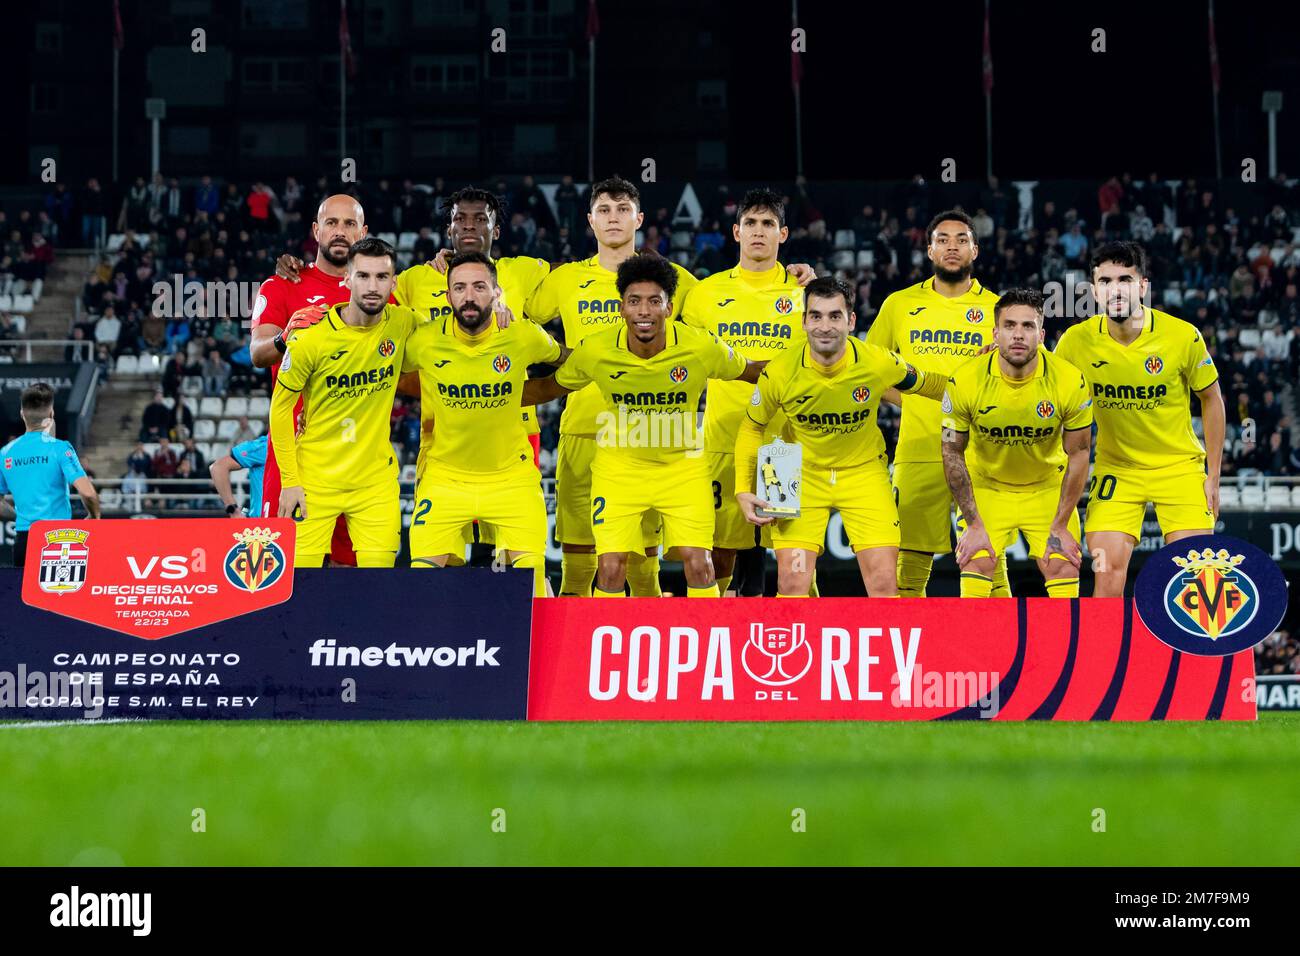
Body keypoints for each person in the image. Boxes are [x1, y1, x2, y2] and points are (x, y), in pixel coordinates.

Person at [524, 254, 764, 597]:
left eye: (655, 301)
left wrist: (813, 364)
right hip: (620, 470)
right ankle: (611, 649)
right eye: (634, 301)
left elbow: (753, 370)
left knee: (700, 563)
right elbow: (548, 387)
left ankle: (703, 645)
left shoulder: (699, 345)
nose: (644, 311)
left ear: (669, 307)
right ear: (621, 307)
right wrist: (491, 395)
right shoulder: (597, 350)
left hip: (682, 469)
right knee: (609, 569)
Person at [523, 176, 702, 597]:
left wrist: (789, 277)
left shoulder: (672, 278)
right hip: (584, 429)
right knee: (579, 562)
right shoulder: (565, 279)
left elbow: (723, 309)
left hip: (648, 437)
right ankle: (577, 659)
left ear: (639, 218)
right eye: (604, 210)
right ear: (590, 220)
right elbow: (517, 312)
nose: (614, 218)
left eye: (623, 209)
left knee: (643, 568)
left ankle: (647, 658)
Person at [736, 277, 948, 597]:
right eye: (816, 316)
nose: (825, 326)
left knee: (884, 585)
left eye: (835, 316)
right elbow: (752, 427)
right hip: (796, 472)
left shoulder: (877, 361)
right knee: (793, 583)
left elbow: (930, 384)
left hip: (862, 472)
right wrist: (742, 488)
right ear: (804, 321)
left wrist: (984, 384)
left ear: (850, 320)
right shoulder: (779, 372)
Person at [1053, 241, 1225, 596]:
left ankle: (1193, 653)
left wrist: (1213, 474)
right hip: (1118, 471)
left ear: (1142, 286)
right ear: (1094, 291)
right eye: (1106, 281)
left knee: (1195, 574)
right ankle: (1105, 652)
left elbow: (1212, 399)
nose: (1115, 289)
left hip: (1178, 468)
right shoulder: (1075, 342)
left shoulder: (1182, 335)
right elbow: (1048, 394)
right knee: (1107, 572)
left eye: (1125, 279)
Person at [402, 252, 568, 596]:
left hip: (512, 480)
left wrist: (609, 363)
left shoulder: (523, 335)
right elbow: (384, 372)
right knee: (422, 593)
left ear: (496, 292)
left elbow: (565, 360)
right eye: (459, 287)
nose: (469, 296)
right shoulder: (425, 341)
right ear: (448, 296)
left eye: (479, 286)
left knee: (532, 589)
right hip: (445, 480)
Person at [865, 209, 1011, 597]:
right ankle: (910, 652)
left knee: (989, 559)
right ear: (929, 250)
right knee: (910, 565)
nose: (952, 246)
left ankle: (998, 649)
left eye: (961, 239)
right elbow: (869, 368)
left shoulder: (999, 310)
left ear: (975, 250)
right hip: (919, 448)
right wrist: (910, 401)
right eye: (943, 240)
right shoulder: (899, 304)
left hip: (982, 452)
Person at [681, 187, 812, 596]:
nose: (759, 232)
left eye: (768, 224)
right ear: (736, 233)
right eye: (751, 223)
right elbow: (688, 365)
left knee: (794, 555)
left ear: (783, 234)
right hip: (723, 437)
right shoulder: (705, 295)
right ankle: (716, 637)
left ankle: (805, 637)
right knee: (721, 551)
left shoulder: (804, 294)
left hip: (783, 444)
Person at [270, 237, 419, 569]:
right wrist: (290, 482)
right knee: (300, 589)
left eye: (382, 277)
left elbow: (453, 333)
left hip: (374, 485)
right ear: (347, 279)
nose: (372, 286)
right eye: (363, 276)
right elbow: (280, 410)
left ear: (393, 283)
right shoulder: (310, 336)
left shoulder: (403, 323)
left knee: (376, 591)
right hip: (313, 482)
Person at [941, 288, 1093, 598]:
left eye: (1028, 326)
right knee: (976, 560)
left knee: (1063, 565)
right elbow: (951, 451)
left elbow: (1079, 454)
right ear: (995, 333)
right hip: (988, 489)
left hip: (1046, 490)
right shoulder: (964, 380)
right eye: (1010, 326)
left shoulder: (1069, 380)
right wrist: (973, 524)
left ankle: (1062, 646)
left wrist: (1062, 525)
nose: (1018, 335)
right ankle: (981, 647)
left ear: (1042, 334)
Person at [250, 193, 369, 566]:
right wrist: (286, 336)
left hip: (355, 459)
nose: (340, 232)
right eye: (331, 223)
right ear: (316, 231)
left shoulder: (378, 293)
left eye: (349, 224)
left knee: (351, 575)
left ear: (363, 233)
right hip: (293, 457)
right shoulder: (282, 285)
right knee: (281, 569)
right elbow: (257, 352)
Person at [0, 383, 100, 567]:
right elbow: (88, 493)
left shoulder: (5, 453)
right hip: (58, 538)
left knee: (22, 596)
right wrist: (94, 516)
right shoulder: (60, 448)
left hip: (24, 540)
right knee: (62, 593)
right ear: (51, 414)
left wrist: (21, 516)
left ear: (22, 414)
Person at [210, 434, 268, 518]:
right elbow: (218, 468)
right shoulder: (264, 446)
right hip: (263, 524)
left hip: (289, 520)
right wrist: (233, 510)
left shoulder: (292, 450)